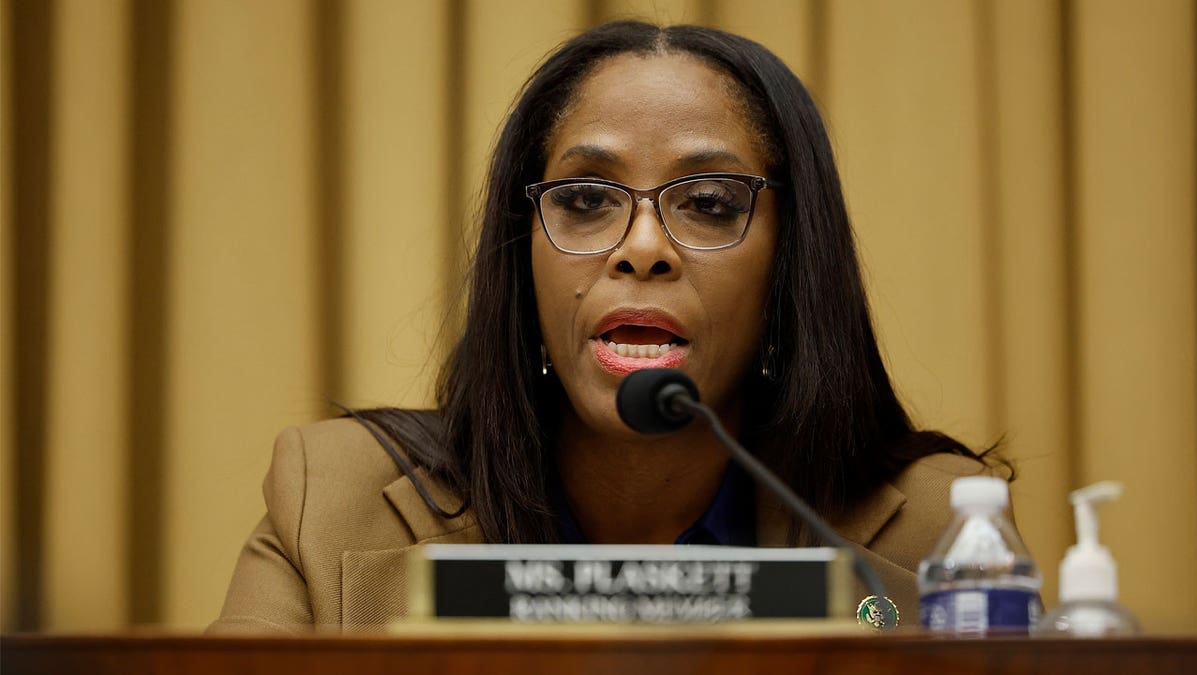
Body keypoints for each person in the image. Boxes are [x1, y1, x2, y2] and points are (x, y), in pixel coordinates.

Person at [211, 20, 1010, 633]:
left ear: (791, 264)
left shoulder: (941, 536)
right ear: (520, 252)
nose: (642, 249)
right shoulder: (330, 499)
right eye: (586, 201)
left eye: (708, 203)